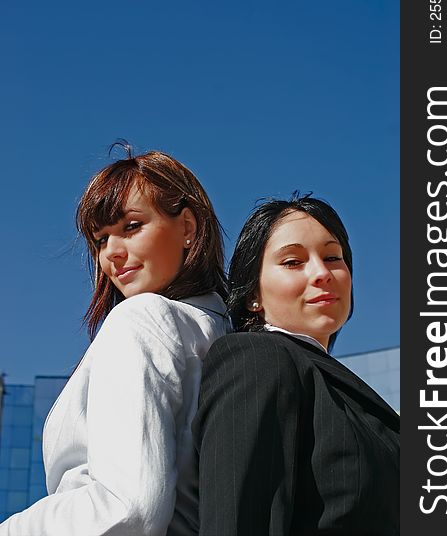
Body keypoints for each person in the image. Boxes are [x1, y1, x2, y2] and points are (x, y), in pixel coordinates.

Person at [0, 143, 228, 536]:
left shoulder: (141, 319)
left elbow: (127, 508)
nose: (112, 255)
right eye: (101, 239)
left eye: (131, 227)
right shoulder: (221, 331)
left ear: (187, 227)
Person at [193, 194, 400, 536]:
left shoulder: (337, 390)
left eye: (333, 257)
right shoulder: (257, 359)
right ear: (252, 296)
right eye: (292, 261)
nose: (322, 273)